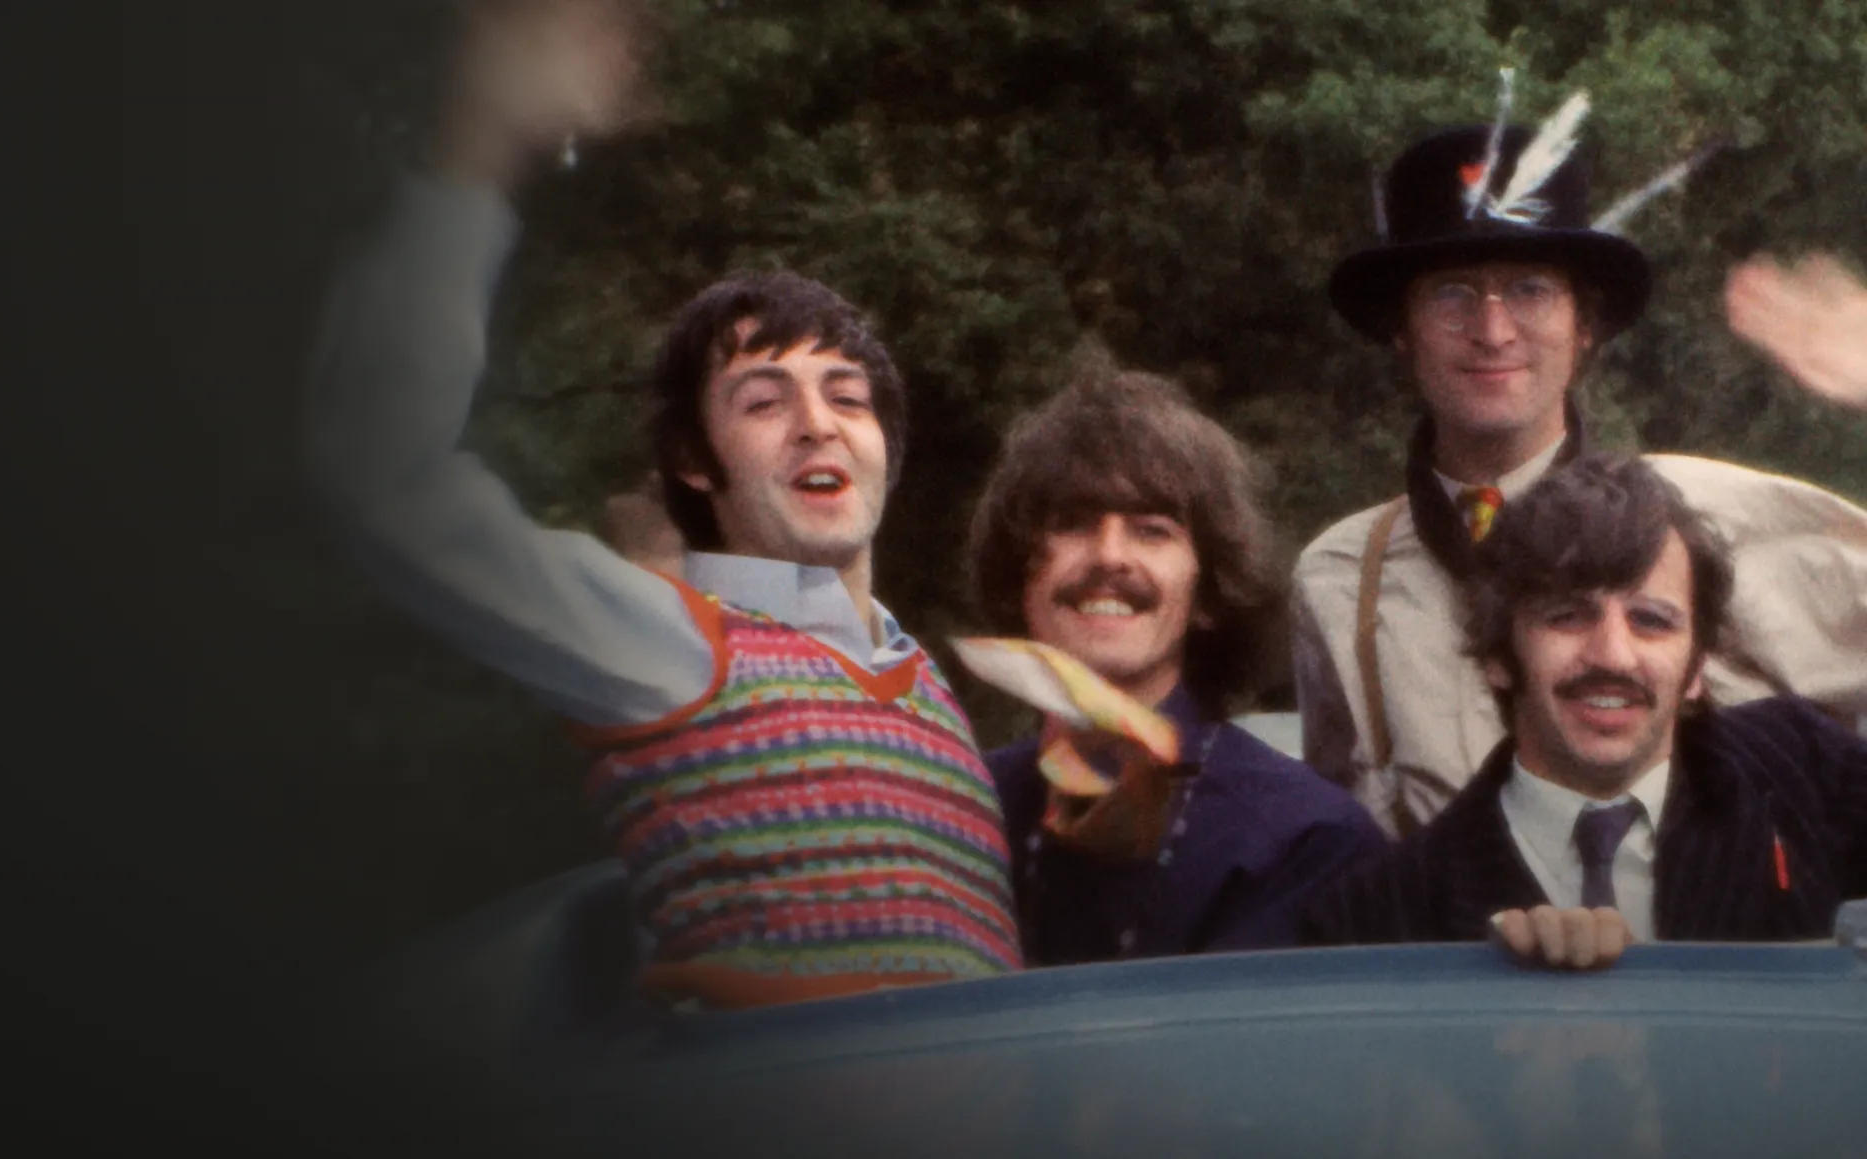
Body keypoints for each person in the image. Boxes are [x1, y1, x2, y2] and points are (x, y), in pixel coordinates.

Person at [307, 0, 1019, 1008]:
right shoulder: (667, 640)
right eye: (762, 401)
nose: (817, 424)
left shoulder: (930, 687)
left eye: (848, 397)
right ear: (692, 459)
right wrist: (474, 156)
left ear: (888, 450)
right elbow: (381, 479)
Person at [1290, 112, 1867, 840]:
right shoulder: (1342, 576)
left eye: (1530, 290)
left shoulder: (1709, 514)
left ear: (1583, 326)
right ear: (1402, 332)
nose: (1493, 330)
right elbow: (1337, 845)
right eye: (1451, 294)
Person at [1302, 453, 1867, 968]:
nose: (1613, 655)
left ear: (1696, 667)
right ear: (1499, 655)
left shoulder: (1806, 773)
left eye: (1651, 621)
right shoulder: (1378, 916)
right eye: (1567, 616)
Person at [961, 359, 1386, 964]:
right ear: (1017, 578)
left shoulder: (1303, 840)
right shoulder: (960, 805)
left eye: (1151, 531)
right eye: (1073, 524)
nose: (1109, 556)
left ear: (1208, 593)